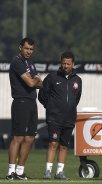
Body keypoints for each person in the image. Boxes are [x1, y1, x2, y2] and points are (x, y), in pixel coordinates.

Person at [38, 51, 82, 180]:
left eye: (68, 64)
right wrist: (51, 107)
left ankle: (59, 172)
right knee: (53, 143)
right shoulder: (52, 77)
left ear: (73, 64)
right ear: (60, 63)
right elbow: (42, 96)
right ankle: (47, 171)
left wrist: (69, 108)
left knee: (64, 145)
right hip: (54, 117)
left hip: (69, 118)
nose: (66, 66)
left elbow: (76, 98)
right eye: (64, 63)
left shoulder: (78, 80)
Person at [7, 37, 43, 180]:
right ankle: (11, 172)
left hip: (32, 102)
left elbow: (40, 84)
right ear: (20, 48)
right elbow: (30, 83)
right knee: (18, 137)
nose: (29, 51)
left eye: (31, 49)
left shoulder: (30, 63)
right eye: (26, 48)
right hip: (20, 102)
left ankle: (20, 171)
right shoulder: (17, 62)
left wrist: (36, 80)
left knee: (30, 138)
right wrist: (36, 80)